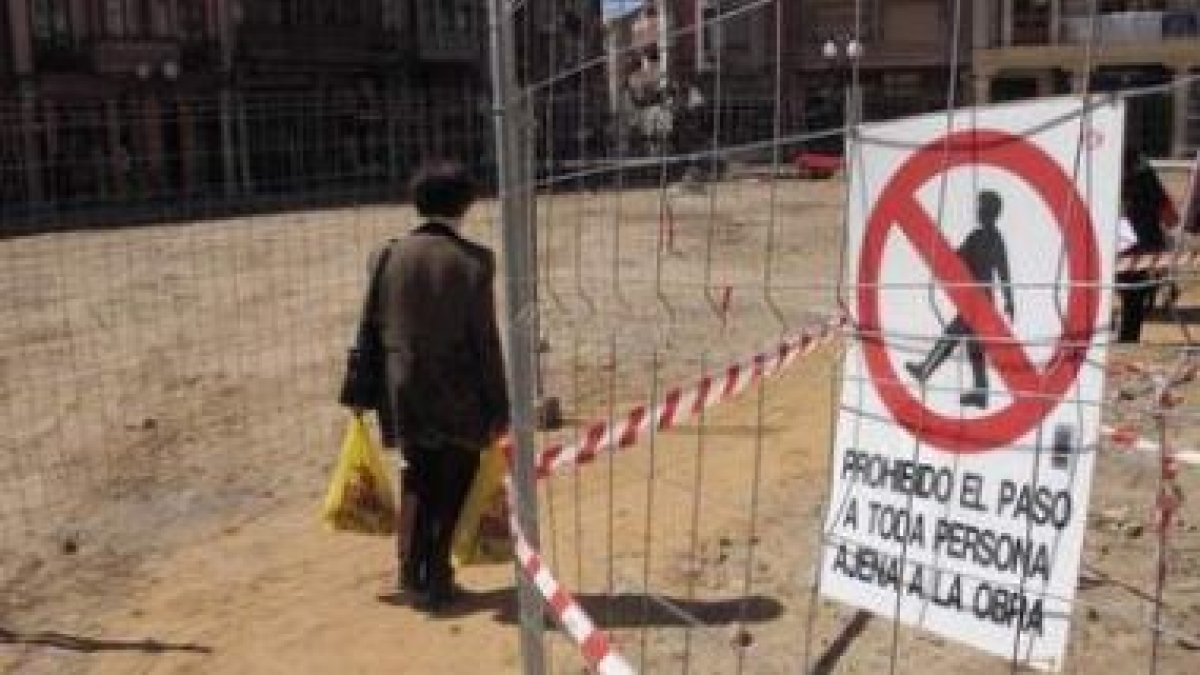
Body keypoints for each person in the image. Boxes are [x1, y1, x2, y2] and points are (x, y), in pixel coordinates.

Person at [372, 160, 510, 609]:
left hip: (403, 386)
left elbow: (370, 327)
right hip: (458, 391)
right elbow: (484, 341)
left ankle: (411, 569)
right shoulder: (474, 262)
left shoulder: (386, 255)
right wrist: (498, 405)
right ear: (466, 204)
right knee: (453, 482)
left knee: (418, 475)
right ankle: (437, 576)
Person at [905, 190, 1014, 410]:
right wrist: (1009, 300)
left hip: (975, 302)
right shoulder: (996, 238)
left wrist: (938, 251)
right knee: (975, 348)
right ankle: (981, 394)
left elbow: (959, 257)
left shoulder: (978, 236)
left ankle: (925, 370)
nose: (978, 210)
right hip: (984, 301)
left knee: (952, 336)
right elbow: (1003, 271)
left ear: (989, 211)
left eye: (981, 206)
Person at [1116, 147, 1175, 343]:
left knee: (1130, 296)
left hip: (1126, 246)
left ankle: (1125, 337)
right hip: (1142, 247)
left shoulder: (1114, 181)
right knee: (1134, 299)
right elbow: (1171, 218)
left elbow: (1169, 216)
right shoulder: (1148, 179)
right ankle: (1128, 338)